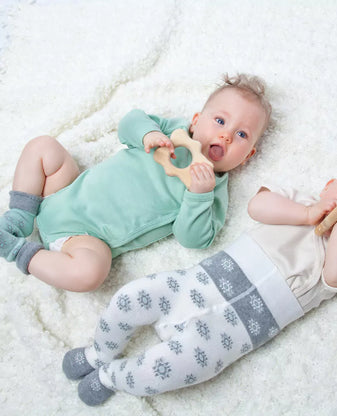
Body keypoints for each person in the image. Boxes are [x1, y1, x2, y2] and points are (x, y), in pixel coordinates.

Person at [61, 156, 337, 406]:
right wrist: (306, 214)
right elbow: (258, 207)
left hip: (228, 334)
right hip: (197, 284)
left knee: (178, 369)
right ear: (330, 185)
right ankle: (98, 352)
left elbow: (336, 276)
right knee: (135, 294)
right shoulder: (299, 203)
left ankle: (112, 377)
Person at [0, 74, 272, 292]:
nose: (225, 135)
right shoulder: (172, 131)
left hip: (83, 239)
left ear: (247, 156)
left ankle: (15, 249)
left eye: (241, 134)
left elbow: (194, 239)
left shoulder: (212, 191)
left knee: (90, 273)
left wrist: (198, 195)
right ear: (196, 120)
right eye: (220, 121)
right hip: (62, 191)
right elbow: (129, 122)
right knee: (43, 147)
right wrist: (148, 134)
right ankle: (20, 217)